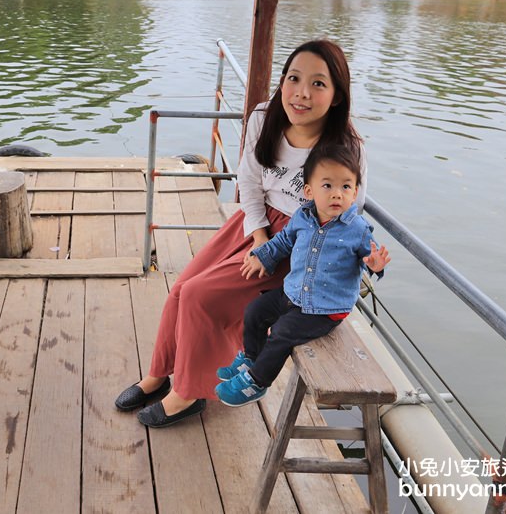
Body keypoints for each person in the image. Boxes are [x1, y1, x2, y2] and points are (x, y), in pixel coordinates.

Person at [114, 39, 366, 428]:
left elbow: (347, 217)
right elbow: (248, 182)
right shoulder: (266, 116)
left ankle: (187, 393)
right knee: (182, 288)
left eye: (318, 84)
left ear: (335, 96)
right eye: (293, 78)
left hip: (300, 246)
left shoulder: (343, 147)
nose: (301, 93)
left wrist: (277, 255)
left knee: (201, 297)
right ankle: (159, 373)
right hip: (255, 225)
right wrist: (259, 234)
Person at [215, 144, 390, 406]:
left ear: (355, 193)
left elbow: (369, 259)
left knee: (283, 331)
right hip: (294, 292)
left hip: (325, 308)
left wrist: (375, 265)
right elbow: (284, 241)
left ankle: (257, 382)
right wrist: (262, 255)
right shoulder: (302, 217)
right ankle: (252, 357)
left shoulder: (359, 230)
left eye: (346, 187)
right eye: (327, 185)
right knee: (255, 310)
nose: (336, 194)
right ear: (309, 191)